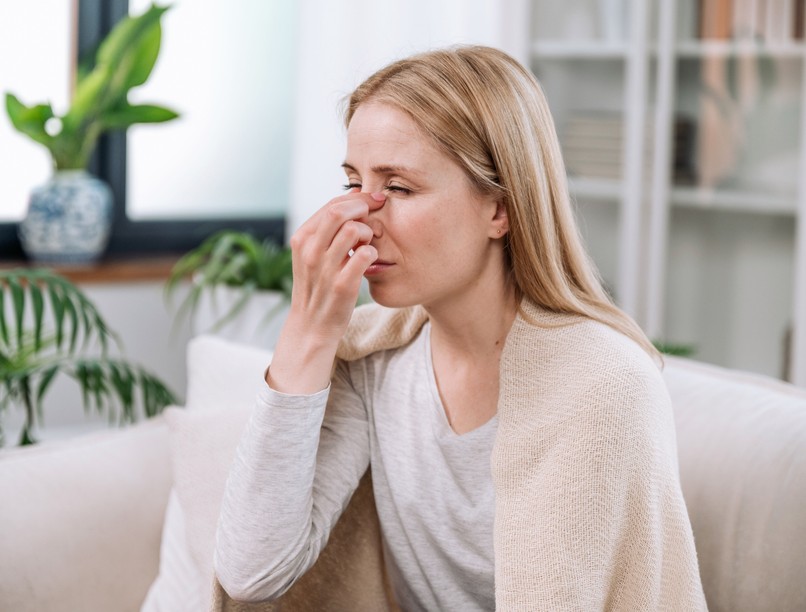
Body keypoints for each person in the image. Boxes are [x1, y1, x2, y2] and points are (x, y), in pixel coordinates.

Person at [213, 45, 707, 611]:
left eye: (397, 188)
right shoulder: (370, 360)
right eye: (354, 184)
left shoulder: (602, 386)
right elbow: (251, 572)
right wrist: (308, 330)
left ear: (499, 209)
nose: (361, 221)